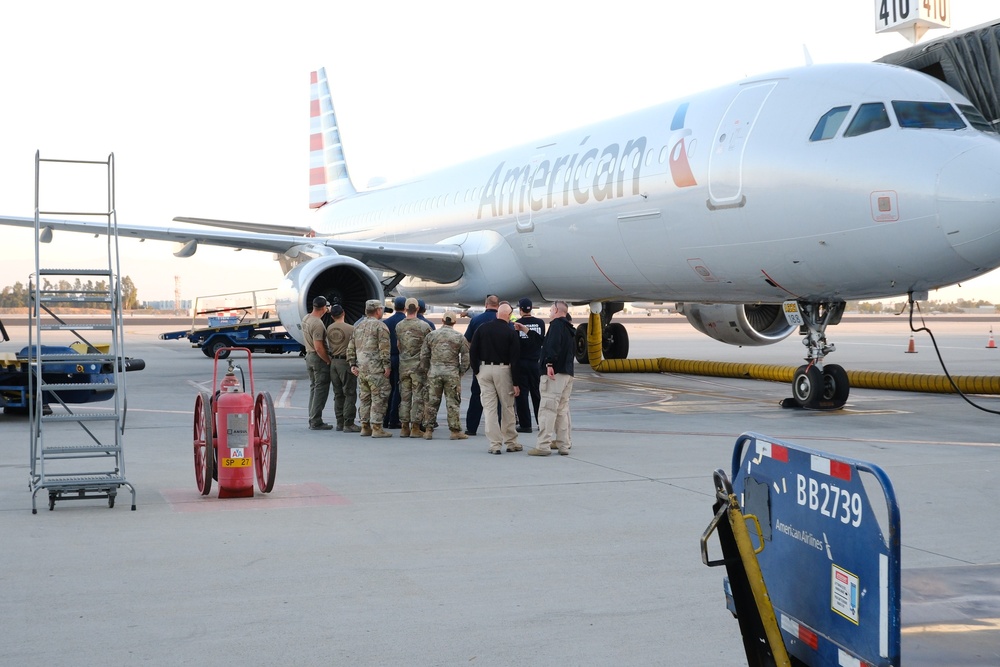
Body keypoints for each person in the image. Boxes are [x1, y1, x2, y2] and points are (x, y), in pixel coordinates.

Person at [469, 302, 521, 454]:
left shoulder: (482, 328)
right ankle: (511, 442)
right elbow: (515, 360)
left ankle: (495, 444)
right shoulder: (510, 332)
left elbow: (473, 351)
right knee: (507, 407)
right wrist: (516, 383)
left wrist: (477, 370)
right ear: (509, 316)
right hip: (503, 370)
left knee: (490, 409)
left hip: (484, 370)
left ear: (498, 313)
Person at [528, 300, 575, 456]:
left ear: (556, 310)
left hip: (555, 375)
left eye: (550, 310)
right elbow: (548, 343)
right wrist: (528, 331)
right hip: (567, 373)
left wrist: (549, 363)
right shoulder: (569, 328)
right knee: (562, 411)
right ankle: (564, 445)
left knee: (547, 409)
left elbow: (552, 346)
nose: (549, 313)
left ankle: (543, 445)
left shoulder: (556, 325)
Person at [420, 310, 470, 440]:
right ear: (454, 322)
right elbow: (466, 358)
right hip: (451, 373)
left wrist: (426, 370)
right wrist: (461, 372)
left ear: (442, 321)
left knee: (431, 402)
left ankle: (428, 430)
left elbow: (424, 355)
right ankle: (454, 431)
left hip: (434, 372)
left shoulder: (431, 335)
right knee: (452, 402)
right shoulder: (459, 337)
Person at [347, 299, 393, 438]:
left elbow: (351, 347)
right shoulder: (381, 326)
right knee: (379, 397)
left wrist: (352, 364)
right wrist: (387, 366)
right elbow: (384, 349)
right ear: (378, 310)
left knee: (365, 399)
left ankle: (365, 426)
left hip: (362, 370)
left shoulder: (358, 326)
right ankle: (377, 427)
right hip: (376, 370)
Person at [394, 297, 431, 437]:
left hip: (404, 365)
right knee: (418, 397)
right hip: (418, 367)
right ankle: (415, 427)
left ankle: (404, 427)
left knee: (405, 397)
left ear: (405, 309)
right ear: (417, 309)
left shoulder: (399, 326)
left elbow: (398, 345)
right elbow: (428, 348)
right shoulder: (424, 326)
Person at [463, 294, 499, 435]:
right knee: (501, 399)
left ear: (486, 304)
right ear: (498, 305)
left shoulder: (476, 320)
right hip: (500, 365)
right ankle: (501, 427)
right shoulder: (503, 320)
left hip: (481, 365)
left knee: (477, 396)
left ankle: (471, 428)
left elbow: (468, 342)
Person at [512, 297, 544, 433]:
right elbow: (540, 340)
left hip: (521, 362)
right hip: (535, 363)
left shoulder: (516, 324)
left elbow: (514, 345)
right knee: (537, 394)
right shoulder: (540, 323)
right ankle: (541, 422)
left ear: (520, 309)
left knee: (522, 395)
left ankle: (525, 425)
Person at [326, 303, 360, 432]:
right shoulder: (351, 328)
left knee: (338, 394)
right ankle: (349, 423)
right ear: (343, 313)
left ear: (332, 316)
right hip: (345, 363)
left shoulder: (329, 328)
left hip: (333, 362)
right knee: (350, 393)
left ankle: (339, 422)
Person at [302, 295, 333, 430]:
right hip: (317, 358)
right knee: (320, 389)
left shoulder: (306, 318)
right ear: (323, 308)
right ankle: (316, 421)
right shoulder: (317, 324)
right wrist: (328, 360)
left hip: (309, 356)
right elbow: (319, 347)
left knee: (314, 388)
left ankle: (312, 417)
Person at [383, 296, 407, 429]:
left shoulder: (387, 322)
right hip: (400, 358)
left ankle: (385, 419)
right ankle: (394, 419)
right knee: (398, 389)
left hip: (388, 358)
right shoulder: (405, 322)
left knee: (389, 389)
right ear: (405, 307)